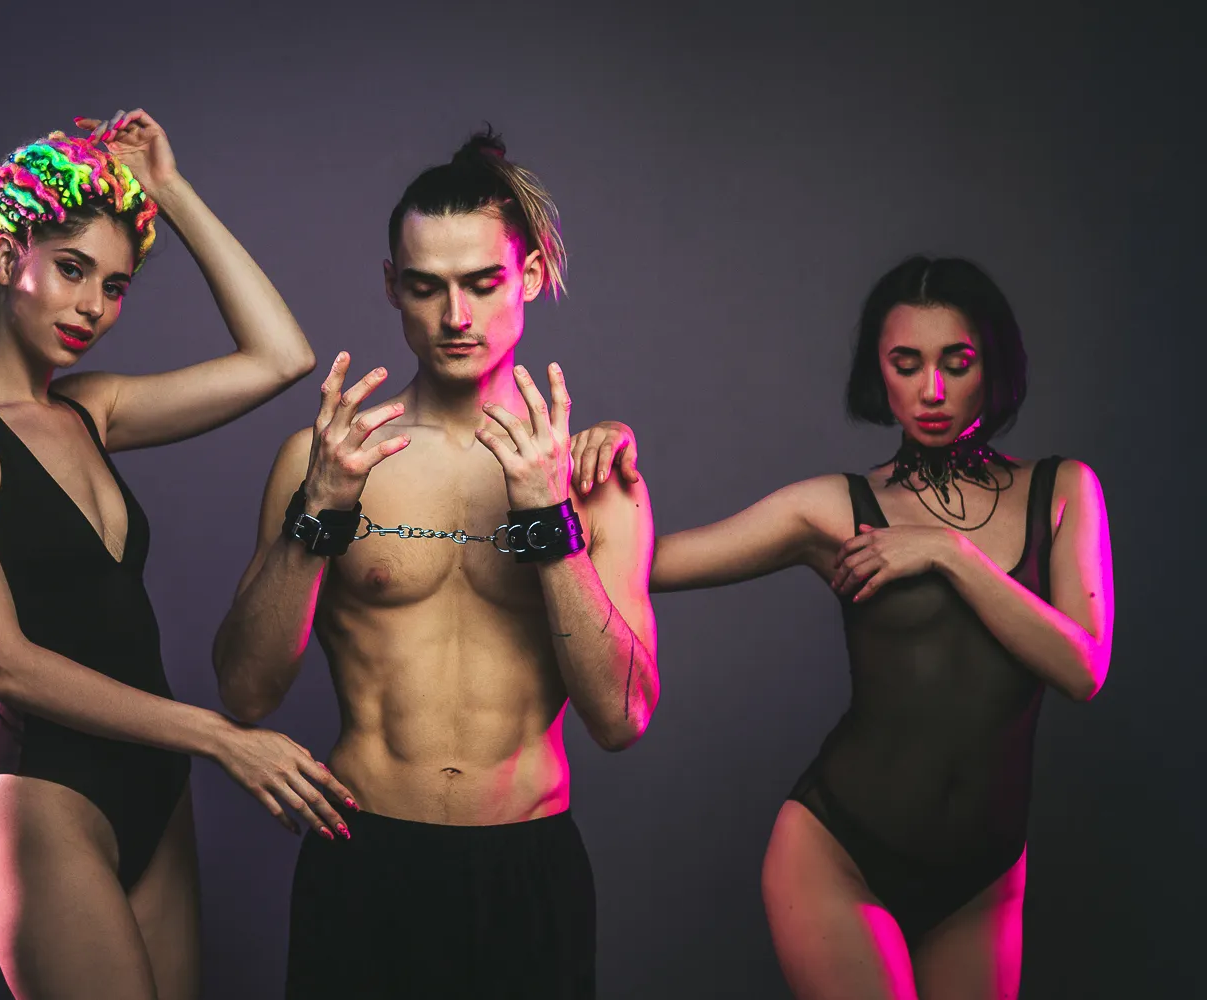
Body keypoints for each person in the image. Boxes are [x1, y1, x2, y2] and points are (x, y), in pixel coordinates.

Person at [0, 110, 359, 1000]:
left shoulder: (90, 410)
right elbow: (3, 665)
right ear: (7, 258)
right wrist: (219, 738)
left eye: (114, 287)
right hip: (48, 796)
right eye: (71, 270)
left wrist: (169, 190)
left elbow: (281, 355)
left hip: (156, 786)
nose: (92, 308)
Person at [570, 256, 1114, 999]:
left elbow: (1083, 668)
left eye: (957, 363)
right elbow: (644, 566)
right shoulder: (836, 509)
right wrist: (601, 481)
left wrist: (949, 553)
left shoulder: (1064, 489)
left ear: (993, 364)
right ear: (878, 372)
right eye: (905, 364)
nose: (931, 391)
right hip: (841, 855)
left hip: (984, 881)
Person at [212, 129, 659, 1000]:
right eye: (426, 287)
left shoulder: (592, 479)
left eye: (482, 283)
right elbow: (245, 691)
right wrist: (320, 510)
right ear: (393, 286)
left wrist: (549, 520)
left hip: (526, 867)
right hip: (364, 858)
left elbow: (620, 718)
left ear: (529, 276)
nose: (456, 316)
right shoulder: (324, 458)